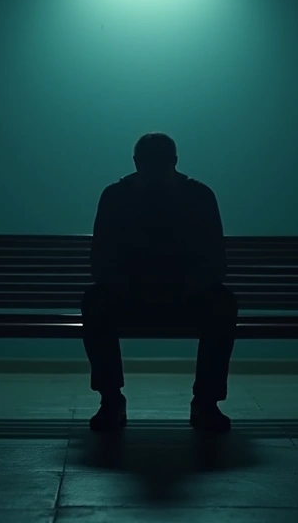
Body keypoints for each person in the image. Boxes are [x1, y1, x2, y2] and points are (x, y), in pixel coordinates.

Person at [82, 132, 238, 433]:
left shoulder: (116, 196)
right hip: (180, 297)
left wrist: (127, 285)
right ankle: (205, 402)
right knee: (222, 305)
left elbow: (101, 257)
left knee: (96, 302)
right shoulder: (199, 195)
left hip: (138, 297)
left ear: (135, 161)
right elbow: (215, 260)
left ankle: (111, 399)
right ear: (175, 161)